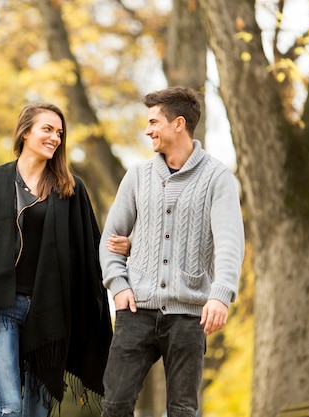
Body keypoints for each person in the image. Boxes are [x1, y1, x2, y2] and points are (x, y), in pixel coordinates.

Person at [0, 103, 121, 417]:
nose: (55, 137)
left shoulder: (71, 190)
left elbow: (89, 255)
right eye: (47, 129)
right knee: (10, 408)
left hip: (49, 313)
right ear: (25, 132)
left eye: (59, 132)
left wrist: (124, 255)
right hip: (2, 308)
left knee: (37, 413)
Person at [99, 86, 245, 417]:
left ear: (178, 124)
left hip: (189, 315)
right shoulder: (137, 175)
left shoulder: (217, 177)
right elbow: (111, 238)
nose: (147, 129)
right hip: (136, 311)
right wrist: (118, 286)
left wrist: (220, 295)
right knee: (115, 403)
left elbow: (229, 243)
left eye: (154, 121)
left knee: (182, 409)